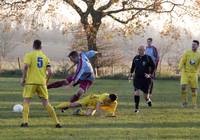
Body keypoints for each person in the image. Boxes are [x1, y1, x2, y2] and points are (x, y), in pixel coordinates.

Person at [20, 40, 61, 128]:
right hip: (42, 83)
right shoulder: (45, 57)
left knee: (26, 101)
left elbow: (26, 67)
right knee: (46, 103)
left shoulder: (29, 55)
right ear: (41, 47)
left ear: (33, 46)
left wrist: (23, 79)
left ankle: (25, 122)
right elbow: (50, 72)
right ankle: (57, 123)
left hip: (31, 82)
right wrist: (46, 82)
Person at [129, 45, 155, 113]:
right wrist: (131, 74)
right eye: (139, 49)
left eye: (141, 50)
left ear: (144, 50)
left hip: (146, 80)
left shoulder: (148, 58)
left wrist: (150, 74)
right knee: (136, 93)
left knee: (146, 96)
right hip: (137, 78)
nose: (140, 51)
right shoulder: (135, 58)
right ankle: (136, 108)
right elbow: (133, 67)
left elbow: (153, 66)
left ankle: (148, 100)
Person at [178, 40, 200, 108]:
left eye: (194, 45)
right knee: (183, 86)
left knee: (194, 89)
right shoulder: (187, 52)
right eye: (192, 44)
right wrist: (179, 68)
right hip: (185, 73)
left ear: (198, 46)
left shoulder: (199, 54)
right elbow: (182, 61)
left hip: (194, 74)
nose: (193, 46)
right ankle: (184, 102)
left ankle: (194, 104)